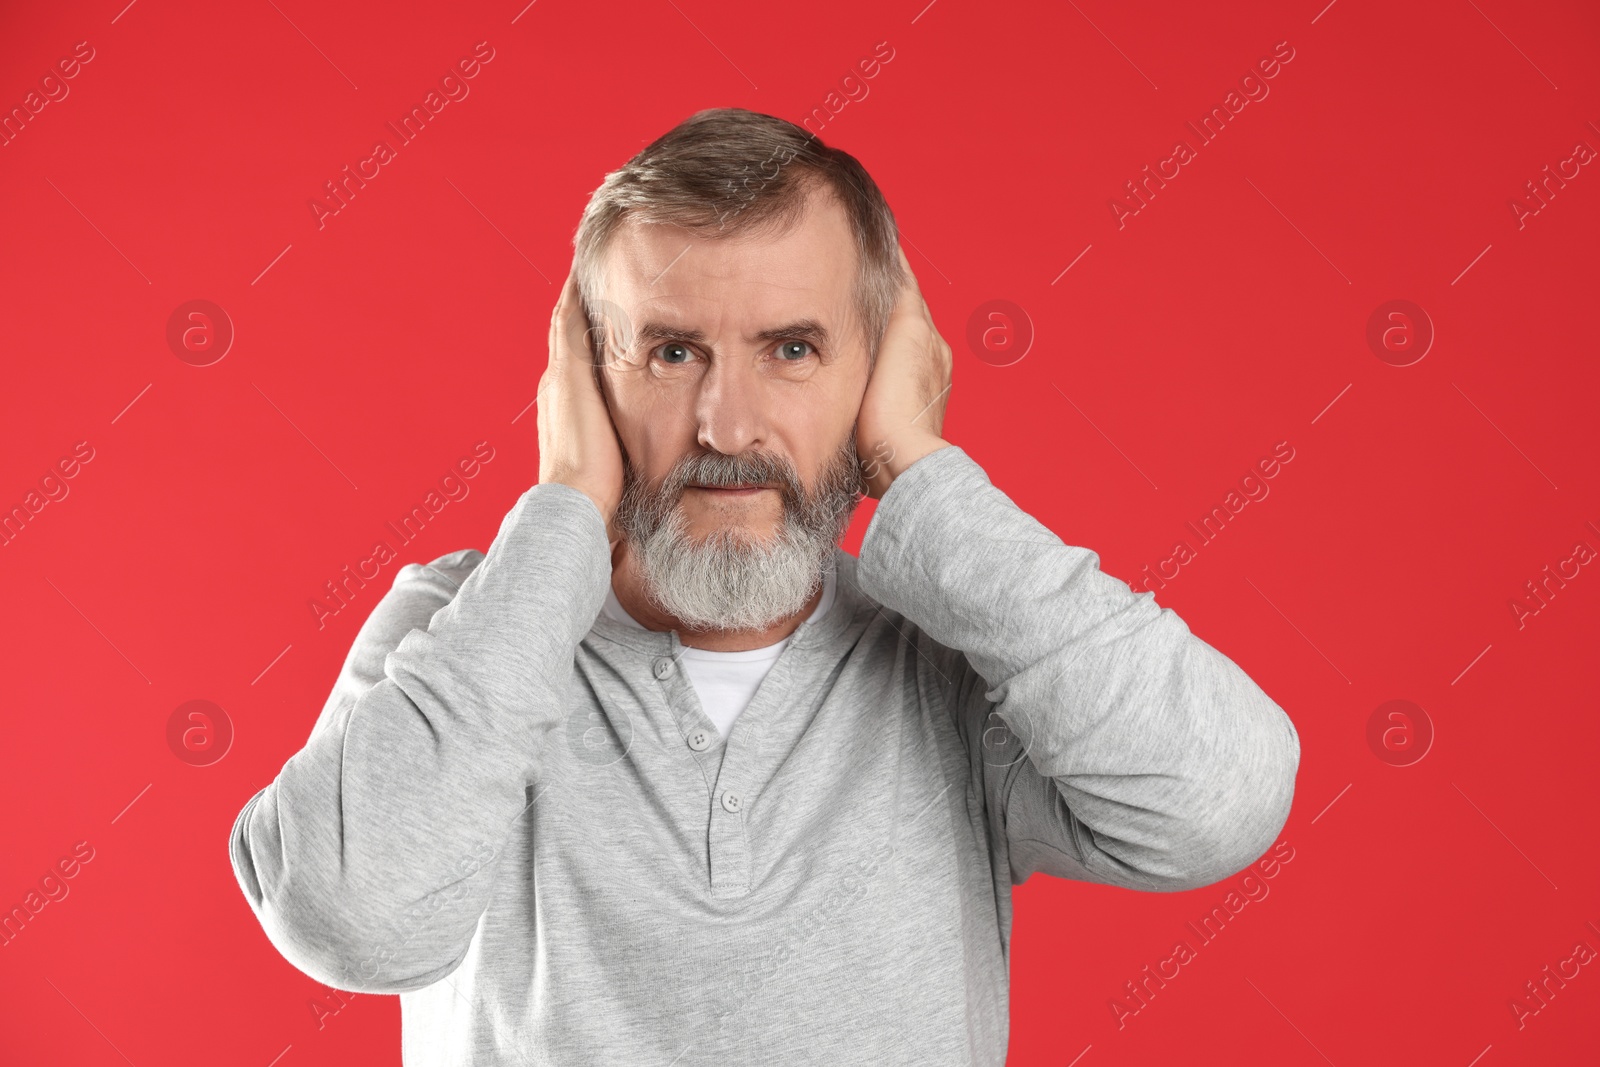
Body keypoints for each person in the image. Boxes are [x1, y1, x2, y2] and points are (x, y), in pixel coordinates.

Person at [229, 107, 1300, 1065]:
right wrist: (562, 510)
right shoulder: (462, 626)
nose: (727, 425)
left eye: (793, 348)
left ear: (877, 372)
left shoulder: (959, 662)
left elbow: (1218, 803)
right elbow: (349, 919)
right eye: (671, 351)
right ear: (585, 383)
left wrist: (920, 469)